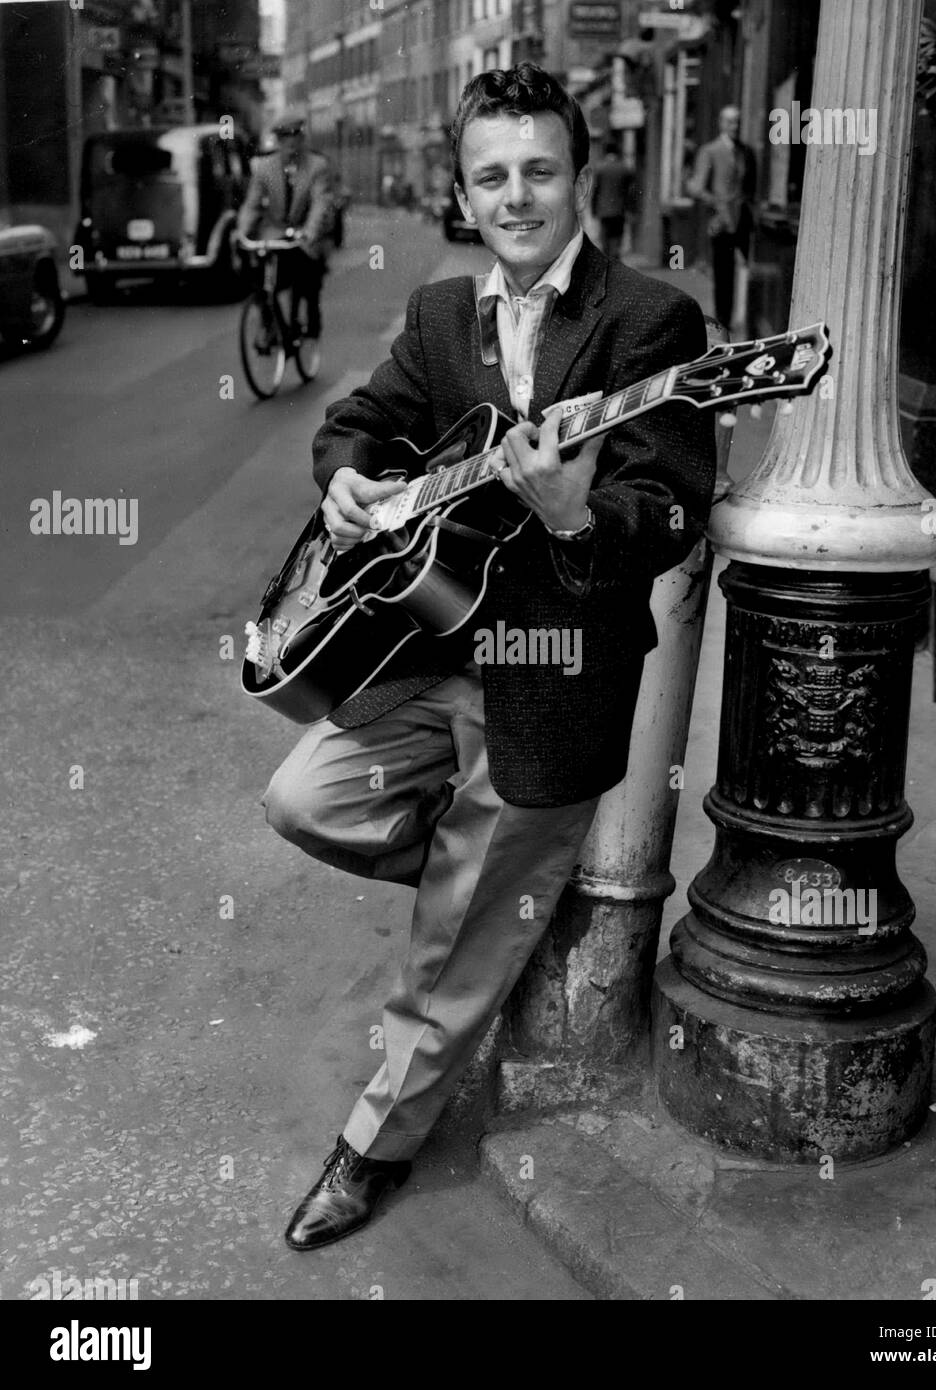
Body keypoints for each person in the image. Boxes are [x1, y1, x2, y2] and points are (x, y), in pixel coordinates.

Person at [262, 63, 716, 1252]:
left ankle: (374, 1147)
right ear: (463, 193)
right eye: (492, 176)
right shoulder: (440, 317)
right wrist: (350, 477)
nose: (516, 197)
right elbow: (358, 421)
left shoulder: (649, 324)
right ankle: (491, 901)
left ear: (579, 177)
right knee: (303, 797)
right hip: (435, 653)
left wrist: (574, 514)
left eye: (538, 171)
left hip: (557, 676)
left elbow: (669, 510)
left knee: (447, 948)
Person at [237, 112, 335, 340]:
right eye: (283, 138)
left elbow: (321, 203)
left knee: (308, 275)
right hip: (276, 232)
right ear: (277, 141)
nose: (290, 143)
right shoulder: (264, 168)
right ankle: (269, 323)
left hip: (306, 231)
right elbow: (252, 204)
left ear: (302, 138)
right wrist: (242, 231)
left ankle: (311, 313)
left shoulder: (317, 166)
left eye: (294, 136)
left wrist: (310, 231)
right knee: (260, 276)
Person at [687, 105, 756, 329]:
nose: (735, 127)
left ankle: (742, 322)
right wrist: (717, 204)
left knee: (745, 271)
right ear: (721, 123)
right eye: (730, 122)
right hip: (720, 222)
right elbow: (696, 187)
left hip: (743, 220)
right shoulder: (710, 150)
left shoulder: (746, 152)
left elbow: (749, 187)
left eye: (738, 122)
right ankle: (723, 323)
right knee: (723, 275)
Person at [590, 141, 635, 261]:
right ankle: (615, 257)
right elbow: (630, 191)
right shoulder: (624, 168)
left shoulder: (600, 168)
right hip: (619, 209)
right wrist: (630, 208)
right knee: (617, 234)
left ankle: (607, 259)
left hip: (603, 209)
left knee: (605, 236)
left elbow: (595, 190)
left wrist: (593, 209)